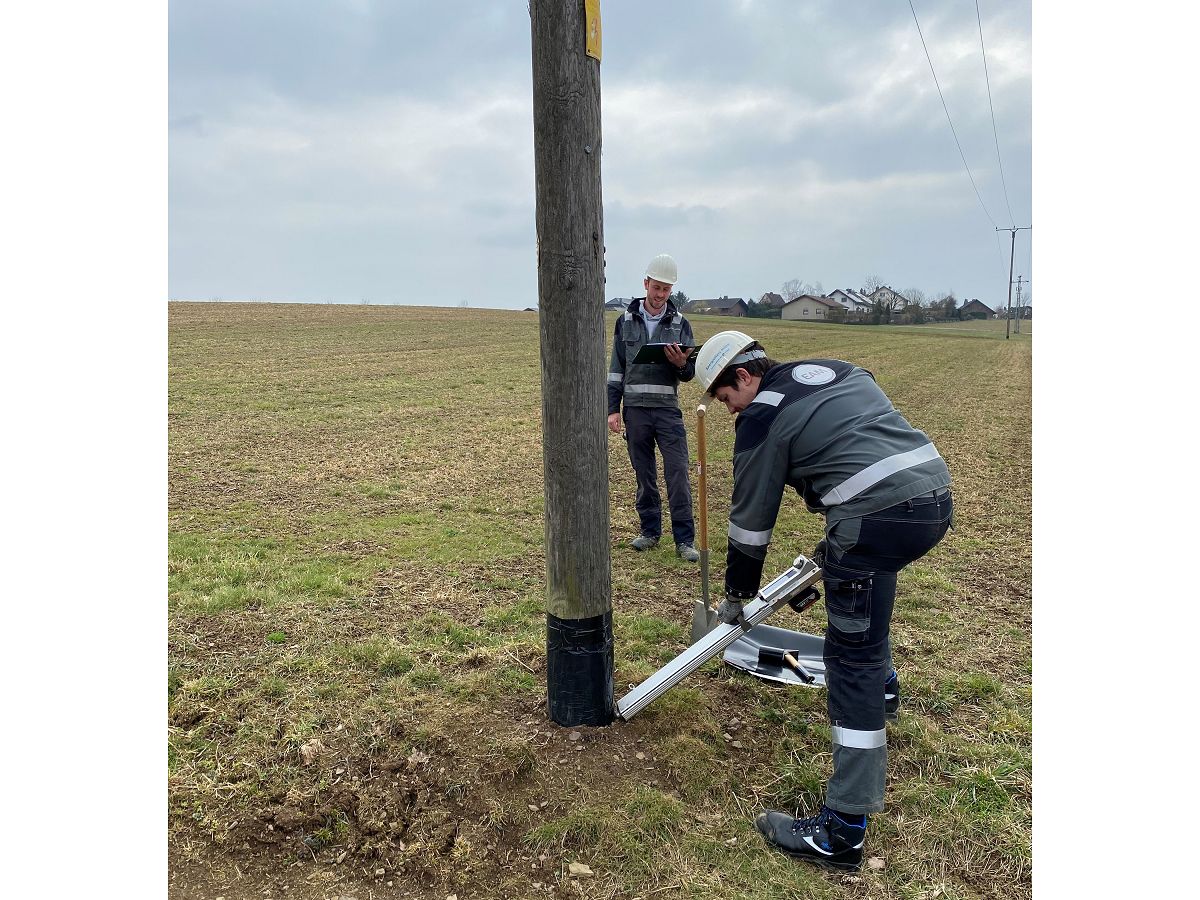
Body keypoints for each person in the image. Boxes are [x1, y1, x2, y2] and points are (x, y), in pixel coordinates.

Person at [694, 330, 952, 871]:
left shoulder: (760, 416)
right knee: (862, 584)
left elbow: (749, 525)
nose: (728, 410)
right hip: (931, 496)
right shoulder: (834, 369)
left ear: (742, 376)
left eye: (724, 398)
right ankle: (884, 694)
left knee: (849, 657)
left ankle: (841, 833)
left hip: (874, 516)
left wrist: (737, 596)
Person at [606, 253, 700, 563]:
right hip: (635, 411)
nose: (660, 295)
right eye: (656, 287)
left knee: (677, 473)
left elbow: (689, 374)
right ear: (646, 283)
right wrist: (613, 409)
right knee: (644, 475)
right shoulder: (625, 322)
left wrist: (681, 364)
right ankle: (650, 532)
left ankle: (684, 540)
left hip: (666, 411)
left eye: (666, 290)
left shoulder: (681, 324)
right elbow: (616, 369)